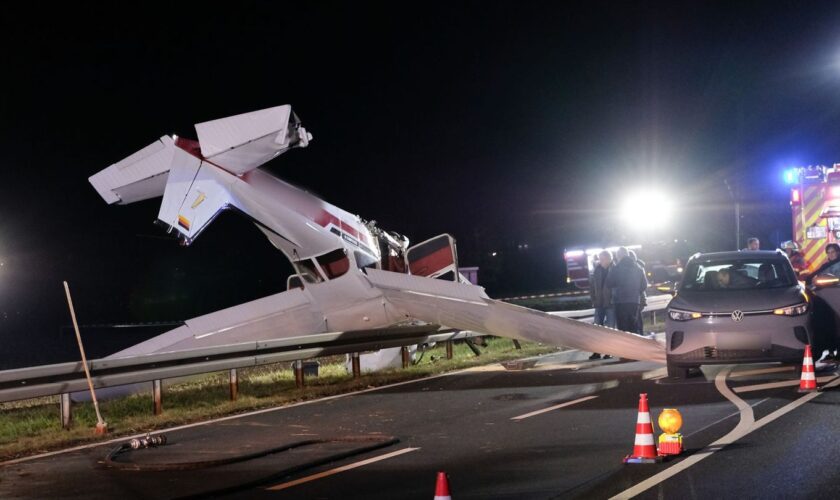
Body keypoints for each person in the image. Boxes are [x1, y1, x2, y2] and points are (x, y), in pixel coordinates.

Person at [606, 247, 648, 334]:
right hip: (634, 301)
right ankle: (635, 346)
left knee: (623, 329)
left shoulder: (616, 269)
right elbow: (644, 285)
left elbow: (609, 283)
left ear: (618, 256)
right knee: (633, 326)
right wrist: (636, 292)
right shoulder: (639, 268)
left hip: (619, 302)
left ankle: (626, 346)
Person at [589, 250, 615, 359]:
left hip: (610, 304)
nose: (601, 261)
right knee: (597, 328)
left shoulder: (615, 269)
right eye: (600, 259)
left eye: (603, 258)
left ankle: (608, 351)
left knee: (609, 328)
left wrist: (614, 299)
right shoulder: (597, 270)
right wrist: (593, 299)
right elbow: (592, 286)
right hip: (599, 303)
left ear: (609, 258)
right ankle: (597, 351)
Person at [629, 250, 647, 336]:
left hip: (637, 297)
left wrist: (635, 291)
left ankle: (639, 336)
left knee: (637, 319)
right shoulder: (639, 267)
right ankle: (640, 335)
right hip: (639, 297)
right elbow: (644, 284)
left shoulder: (637, 268)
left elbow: (643, 284)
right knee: (638, 318)